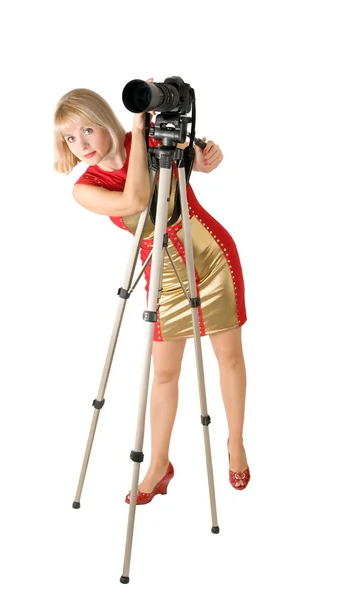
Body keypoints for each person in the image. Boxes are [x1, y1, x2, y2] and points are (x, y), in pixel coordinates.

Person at [53, 80, 251, 504]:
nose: (81, 143)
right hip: (161, 273)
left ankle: (235, 443)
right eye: (70, 137)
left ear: (105, 118)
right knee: (163, 373)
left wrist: (203, 158)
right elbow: (137, 198)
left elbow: (193, 164)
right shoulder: (85, 187)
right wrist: (141, 135)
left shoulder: (157, 140)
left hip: (212, 258)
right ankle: (159, 465)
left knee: (228, 356)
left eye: (87, 129)